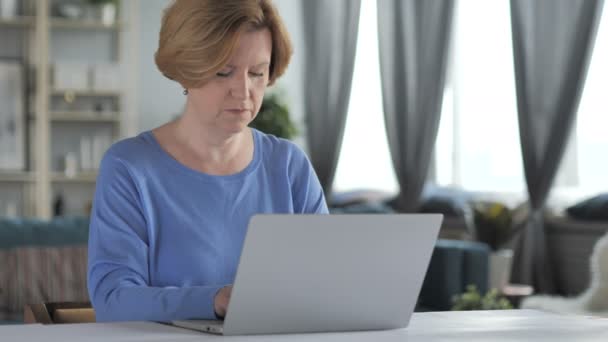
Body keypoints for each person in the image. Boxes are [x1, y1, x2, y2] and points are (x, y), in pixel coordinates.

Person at [87, 0, 328, 322]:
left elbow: (326, 281)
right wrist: (215, 300)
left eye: (257, 73)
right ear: (187, 71)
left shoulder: (288, 164)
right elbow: (112, 299)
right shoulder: (130, 167)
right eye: (223, 72)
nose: (243, 92)